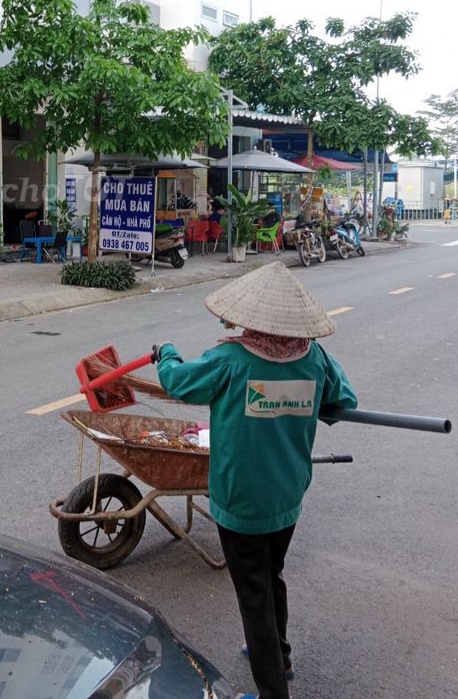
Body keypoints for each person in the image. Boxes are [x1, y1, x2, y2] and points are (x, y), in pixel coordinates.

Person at [152, 262, 358, 699]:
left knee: (253, 596)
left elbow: (176, 382)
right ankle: (280, 655)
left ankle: (273, 690)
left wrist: (166, 352)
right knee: (272, 575)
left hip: (240, 500)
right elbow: (344, 401)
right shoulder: (314, 357)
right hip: (287, 496)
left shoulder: (230, 359)